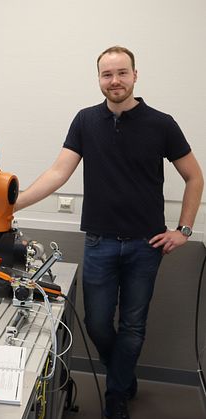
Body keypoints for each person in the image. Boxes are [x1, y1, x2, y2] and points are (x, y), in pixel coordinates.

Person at [15, 46, 203, 419]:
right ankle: (123, 374)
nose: (114, 81)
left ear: (135, 76)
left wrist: (183, 230)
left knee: (133, 325)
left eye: (121, 73)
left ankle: (116, 394)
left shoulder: (162, 123)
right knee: (97, 322)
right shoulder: (85, 120)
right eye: (107, 74)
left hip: (145, 245)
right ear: (98, 78)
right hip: (99, 242)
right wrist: (12, 204)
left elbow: (194, 176)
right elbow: (58, 173)